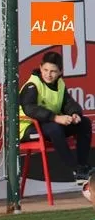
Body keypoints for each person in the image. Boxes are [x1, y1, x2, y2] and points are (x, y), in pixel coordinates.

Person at [19, 51, 91, 185]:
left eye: (53, 71)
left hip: (47, 124)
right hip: (27, 129)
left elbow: (68, 103)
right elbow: (29, 108)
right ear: (40, 68)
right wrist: (55, 117)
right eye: (45, 70)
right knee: (54, 128)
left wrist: (74, 113)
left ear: (60, 72)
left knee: (84, 123)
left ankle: (82, 167)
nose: (48, 74)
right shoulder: (32, 85)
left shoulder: (59, 84)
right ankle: (75, 168)